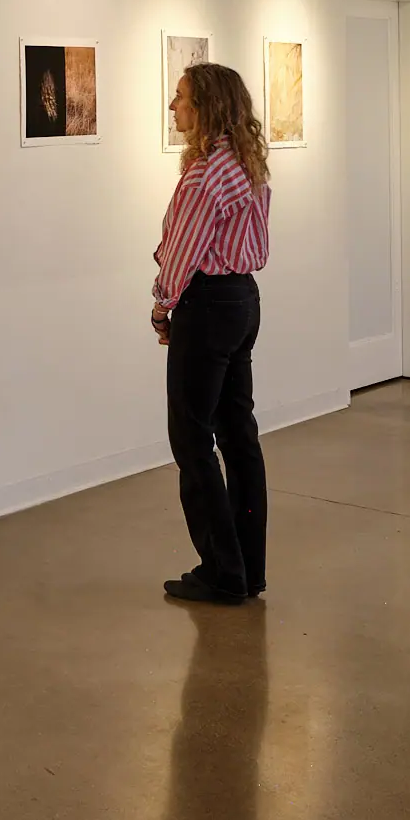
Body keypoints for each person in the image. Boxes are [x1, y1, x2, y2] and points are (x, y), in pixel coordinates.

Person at [150, 62, 271, 606]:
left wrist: (162, 307)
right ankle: (247, 567)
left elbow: (182, 254)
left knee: (192, 440)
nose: (172, 106)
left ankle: (222, 572)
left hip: (207, 306)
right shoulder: (246, 164)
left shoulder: (204, 175)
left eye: (180, 98)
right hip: (243, 301)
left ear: (206, 107)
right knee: (238, 435)